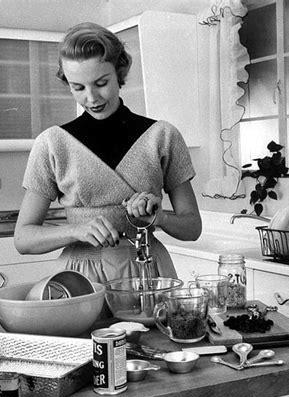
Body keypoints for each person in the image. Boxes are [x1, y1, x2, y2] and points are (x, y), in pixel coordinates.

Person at [14, 22, 201, 285]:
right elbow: (23, 238)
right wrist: (76, 231)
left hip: (147, 272)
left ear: (120, 72)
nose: (91, 97)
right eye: (77, 87)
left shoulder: (163, 136)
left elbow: (193, 228)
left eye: (101, 83)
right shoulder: (52, 143)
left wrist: (158, 218)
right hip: (80, 279)